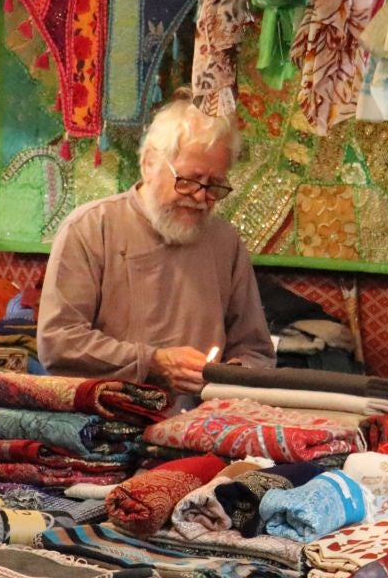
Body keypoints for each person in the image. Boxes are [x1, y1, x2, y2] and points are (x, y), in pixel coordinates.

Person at [38, 93, 274, 393]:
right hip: (104, 421)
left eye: (215, 185)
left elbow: (256, 351)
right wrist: (154, 363)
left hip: (200, 424)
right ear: (149, 163)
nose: (201, 197)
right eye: (188, 180)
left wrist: (231, 375)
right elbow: (59, 342)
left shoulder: (225, 242)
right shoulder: (90, 228)